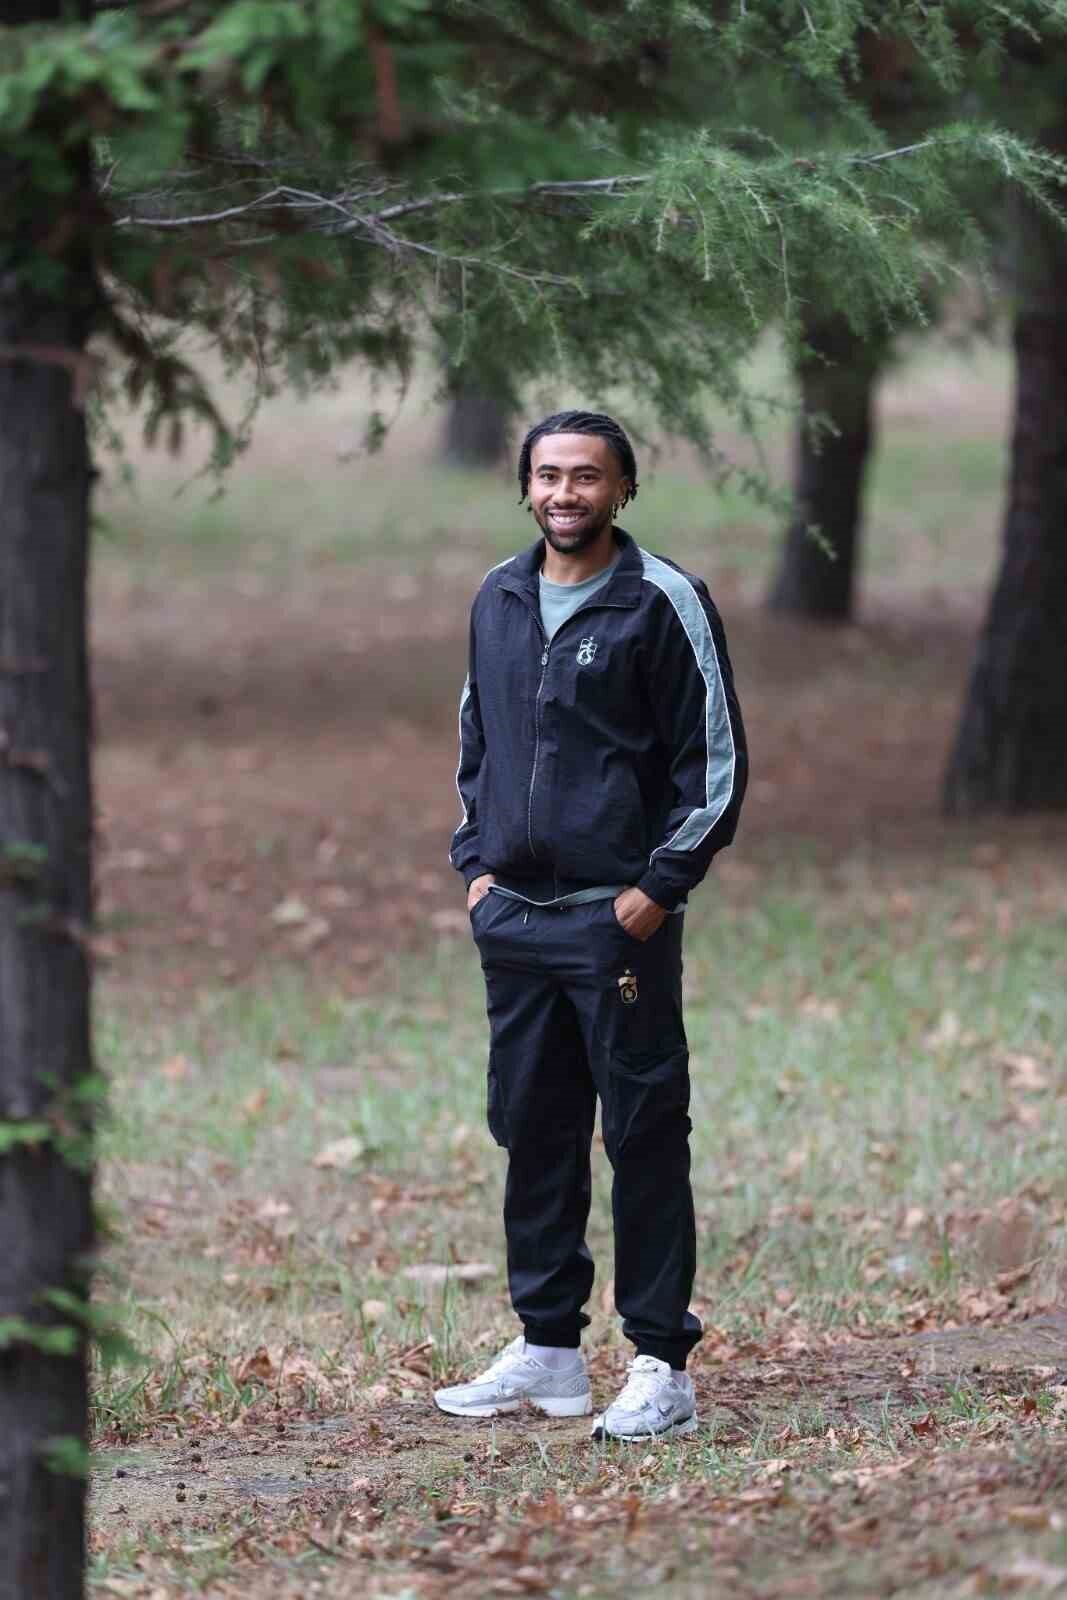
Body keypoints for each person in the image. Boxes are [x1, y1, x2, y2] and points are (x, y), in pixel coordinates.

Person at [435, 410, 747, 1440]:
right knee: (532, 1128)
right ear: (524, 486)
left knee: (644, 1134)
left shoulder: (661, 600)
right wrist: (477, 867)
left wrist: (654, 890)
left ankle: (660, 1363)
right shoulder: (498, 593)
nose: (564, 493)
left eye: (586, 476)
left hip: (616, 927)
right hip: (515, 922)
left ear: (622, 488)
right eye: (547, 475)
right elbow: (478, 736)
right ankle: (549, 1352)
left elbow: (713, 764)